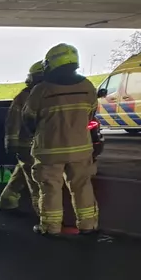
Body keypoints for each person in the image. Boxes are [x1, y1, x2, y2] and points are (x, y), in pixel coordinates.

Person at [23, 43, 99, 236]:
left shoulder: (42, 90)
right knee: (82, 186)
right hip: (81, 149)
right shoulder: (87, 86)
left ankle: (51, 227)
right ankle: (88, 225)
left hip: (49, 150)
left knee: (50, 188)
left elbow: (29, 118)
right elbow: (91, 115)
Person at [0, 61, 45, 214]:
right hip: (28, 146)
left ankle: (6, 202)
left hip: (31, 146)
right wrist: (12, 144)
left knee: (20, 176)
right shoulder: (26, 97)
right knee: (37, 182)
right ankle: (44, 216)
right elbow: (13, 122)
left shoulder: (41, 95)